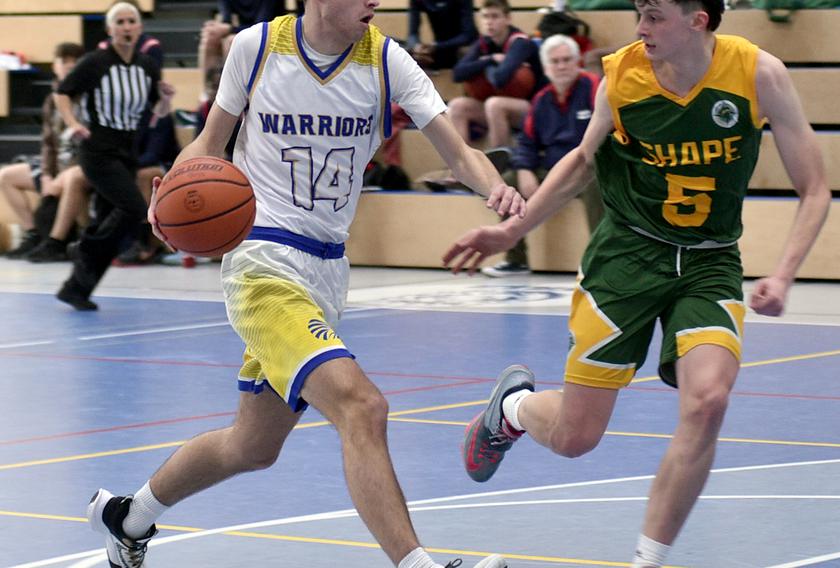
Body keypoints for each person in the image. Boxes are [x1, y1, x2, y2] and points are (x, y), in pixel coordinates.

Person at [85, 3, 524, 568]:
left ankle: (129, 517)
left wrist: (496, 190)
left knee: (253, 445)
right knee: (363, 407)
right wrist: (173, 190)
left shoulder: (389, 61)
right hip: (261, 261)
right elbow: (210, 144)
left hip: (326, 272)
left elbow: (459, 152)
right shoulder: (257, 47)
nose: (376, 3)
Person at [444, 0, 831, 565]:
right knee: (577, 438)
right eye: (638, 14)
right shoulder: (622, 76)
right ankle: (514, 410)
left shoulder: (757, 74)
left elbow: (815, 187)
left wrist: (783, 273)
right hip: (626, 258)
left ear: (698, 19)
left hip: (708, 262)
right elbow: (581, 162)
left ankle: (647, 560)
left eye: (654, 17)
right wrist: (511, 231)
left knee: (709, 401)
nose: (639, 28)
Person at [53, 2, 174, 311]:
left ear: (139, 28)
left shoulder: (147, 66)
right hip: (97, 150)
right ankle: (85, 247)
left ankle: (76, 289)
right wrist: (74, 124)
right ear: (110, 30)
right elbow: (62, 92)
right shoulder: (95, 62)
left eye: (131, 21)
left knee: (108, 220)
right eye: (119, 22)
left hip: (127, 150)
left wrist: (166, 101)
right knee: (134, 209)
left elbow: (155, 113)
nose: (126, 26)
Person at [482, 34, 603, 277]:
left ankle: (599, 262)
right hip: (552, 169)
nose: (561, 66)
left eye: (567, 60)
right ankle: (516, 259)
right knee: (509, 182)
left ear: (578, 61)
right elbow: (527, 143)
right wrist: (524, 170)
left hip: (590, 168)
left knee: (597, 181)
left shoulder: (594, 87)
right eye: (555, 61)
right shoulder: (541, 99)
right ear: (546, 67)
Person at [0, 42, 85, 260]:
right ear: (55, 66)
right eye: (63, 61)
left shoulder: (88, 96)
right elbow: (48, 143)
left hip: (80, 164)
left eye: (74, 62)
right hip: (56, 164)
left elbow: (88, 143)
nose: (69, 66)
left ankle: (55, 242)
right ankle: (33, 234)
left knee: (72, 180)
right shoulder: (51, 99)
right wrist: (47, 175)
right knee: (6, 176)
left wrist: (63, 174)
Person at [448, 0, 545, 148]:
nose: (489, 22)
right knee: (456, 106)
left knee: (494, 104)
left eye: (495, 16)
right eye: (485, 17)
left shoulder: (521, 43)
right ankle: (461, 165)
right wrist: (490, 60)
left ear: (507, 19)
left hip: (534, 108)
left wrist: (482, 64)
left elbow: (500, 79)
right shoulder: (484, 43)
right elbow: (457, 74)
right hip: (501, 106)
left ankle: (500, 166)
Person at [406, 0, 478, 70]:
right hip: (438, 50)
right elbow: (413, 33)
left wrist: (437, 46)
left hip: (461, 47)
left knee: (466, 52)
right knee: (402, 51)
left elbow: (468, 35)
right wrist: (416, 47)